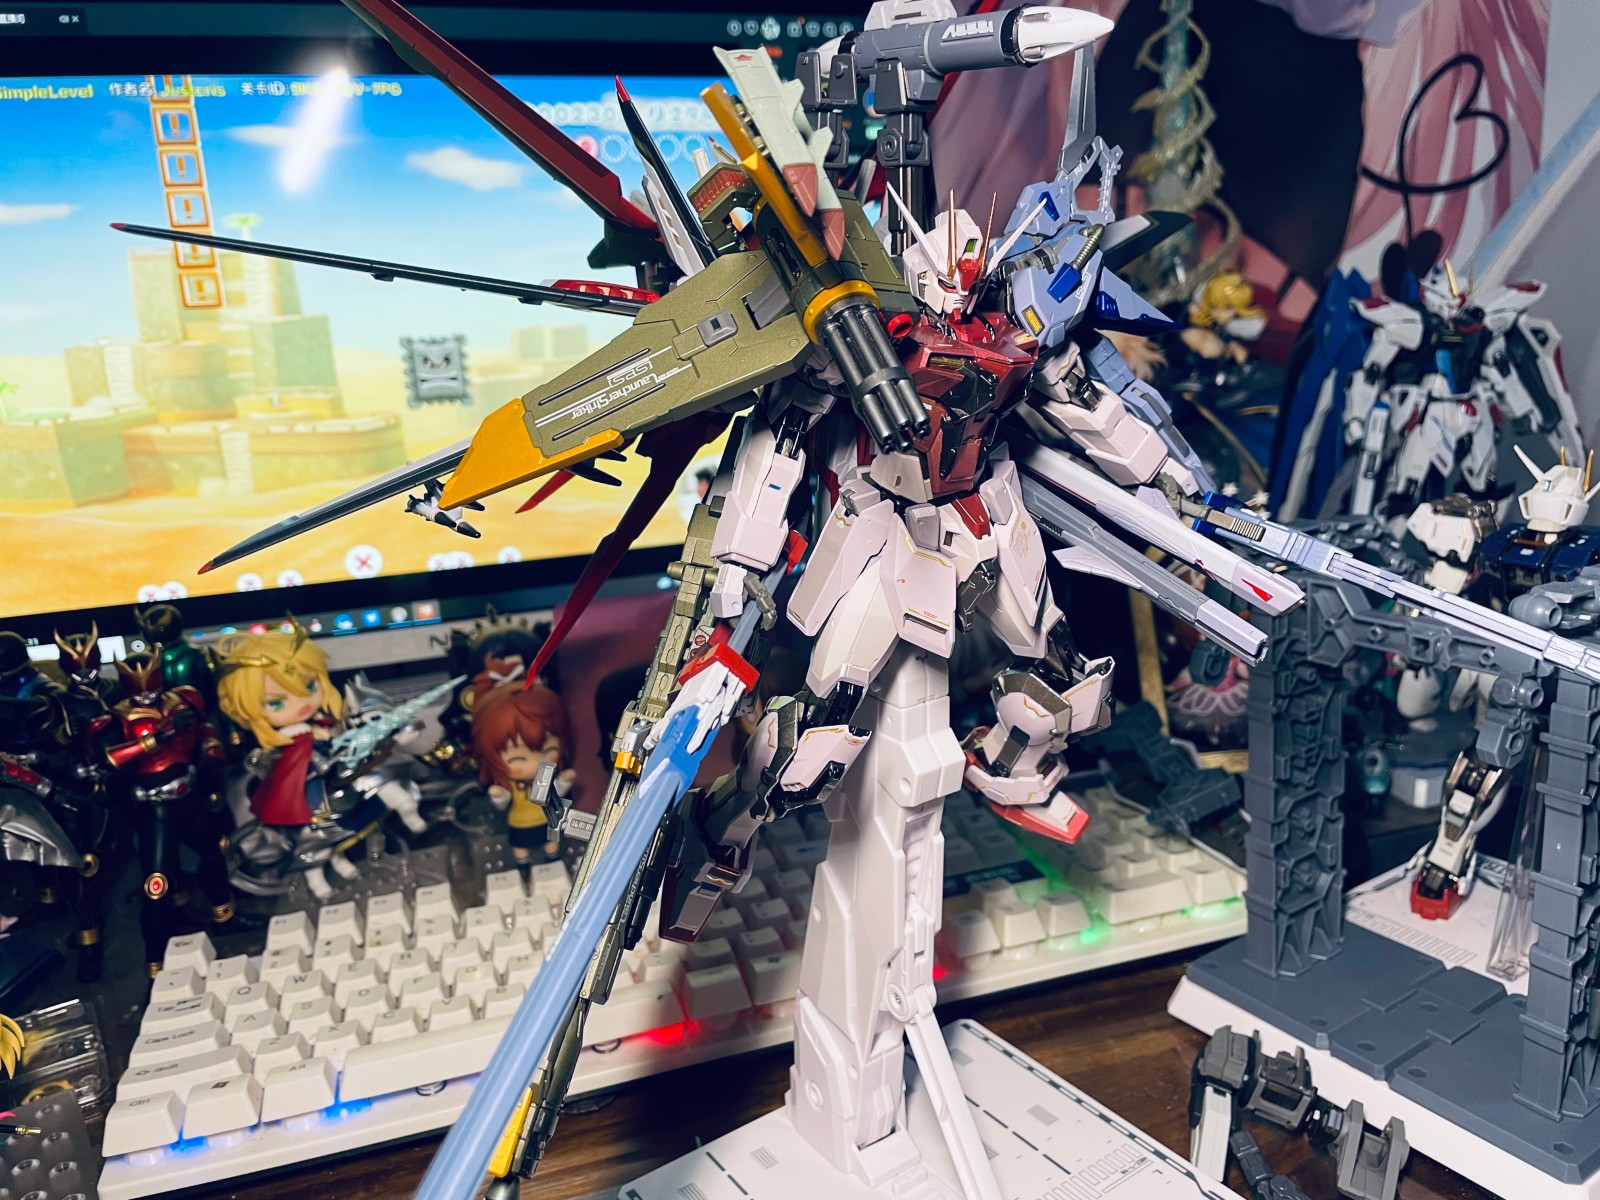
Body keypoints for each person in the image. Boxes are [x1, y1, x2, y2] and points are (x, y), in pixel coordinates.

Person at [472, 683, 573, 864]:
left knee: (551, 843)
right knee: (520, 847)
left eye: (549, 750)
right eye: (518, 759)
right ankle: (523, 864)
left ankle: (552, 858)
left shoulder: (548, 777)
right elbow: (503, 803)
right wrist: (499, 796)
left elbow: (557, 793)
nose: (536, 764)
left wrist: (564, 781)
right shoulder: (510, 783)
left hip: (548, 819)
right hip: (519, 822)